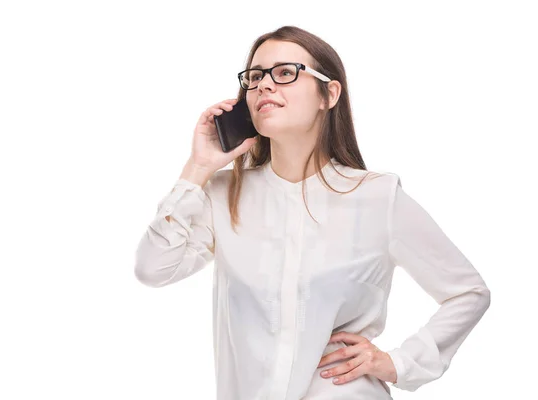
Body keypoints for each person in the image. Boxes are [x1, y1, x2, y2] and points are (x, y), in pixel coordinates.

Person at [134, 25, 491, 400]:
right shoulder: (223, 195)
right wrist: (199, 165)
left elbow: (468, 292)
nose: (264, 87)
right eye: (255, 77)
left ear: (329, 94)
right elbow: (152, 268)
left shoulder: (377, 197)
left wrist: (399, 363)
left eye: (285, 73)